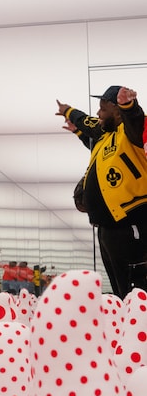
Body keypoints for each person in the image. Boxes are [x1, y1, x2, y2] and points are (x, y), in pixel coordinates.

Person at [57, 85, 147, 297]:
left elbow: (135, 120)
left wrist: (129, 106)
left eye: (103, 108)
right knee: (121, 291)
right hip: (106, 228)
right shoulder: (103, 137)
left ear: (117, 112)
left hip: (130, 222)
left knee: (138, 290)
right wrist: (69, 113)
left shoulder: (131, 131)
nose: (98, 113)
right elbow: (85, 121)